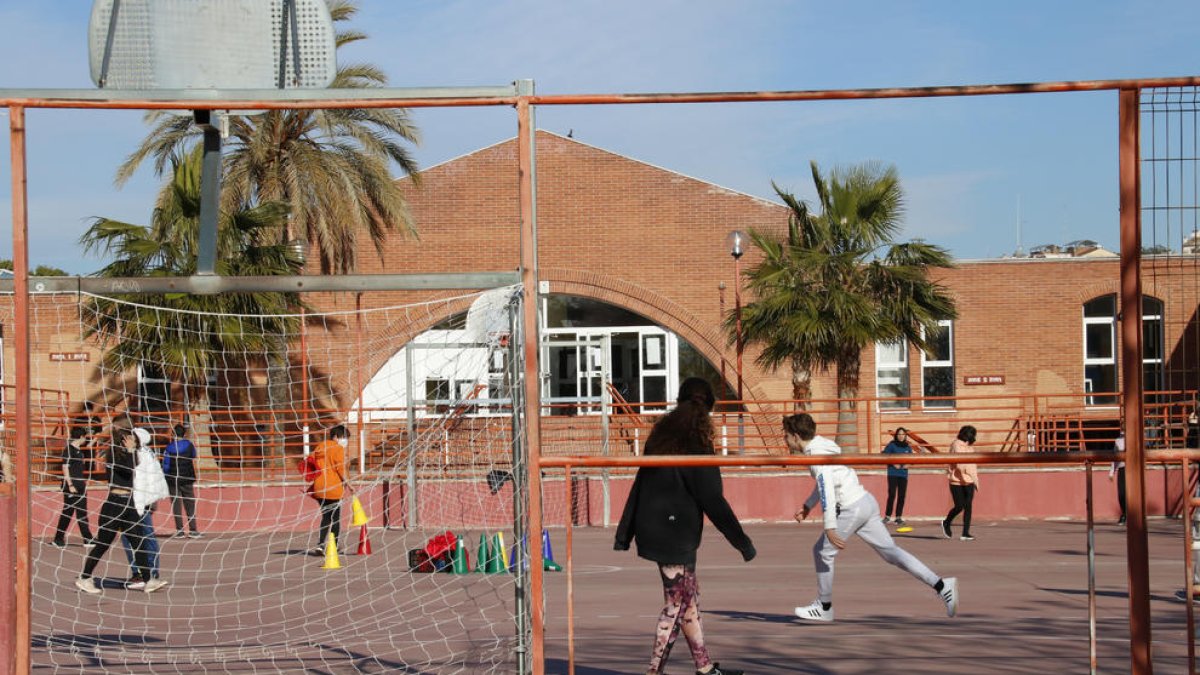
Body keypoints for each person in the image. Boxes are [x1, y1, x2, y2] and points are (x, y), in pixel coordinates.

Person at [614, 377, 755, 675]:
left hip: (659, 529)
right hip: (673, 535)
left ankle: (704, 668)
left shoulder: (661, 436)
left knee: (688, 599)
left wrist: (625, 533)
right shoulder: (698, 443)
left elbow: (640, 483)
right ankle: (654, 671)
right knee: (676, 604)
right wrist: (741, 541)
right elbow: (712, 498)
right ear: (709, 409)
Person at [787, 413, 958, 623]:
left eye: (786, 436)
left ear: (795, 436)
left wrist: (829, 527)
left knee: (822, 552)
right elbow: (828, 482)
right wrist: (807, 505)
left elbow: (826, 489)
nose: (785, 440)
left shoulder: (815, 455)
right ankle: (942, 586)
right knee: (892, 553)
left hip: (851, 507)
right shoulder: (823, 445)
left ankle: (824, 606)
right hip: (865, 501)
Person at [74, 425, 168, 594]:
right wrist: (131, 452)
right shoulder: (114, 456)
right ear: (124, 441)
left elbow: (137, 469)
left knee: (138, 543)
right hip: (115, 505)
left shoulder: (130, 455)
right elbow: (127, 470)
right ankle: (85, 577)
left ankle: (149, 580)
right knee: (103, 544)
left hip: (129, 505)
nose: (133, 441)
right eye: (130, 438)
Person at [120, 428, 162, 589]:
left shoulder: (141, 454)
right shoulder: (146, 453)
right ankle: (146, 572)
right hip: (139, 500)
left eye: (131, 436)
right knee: (135, 536)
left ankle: (145, 573)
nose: (127, 438)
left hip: (140, 501)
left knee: (141, 536)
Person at [310, 424, 351, 555]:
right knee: (336, 518)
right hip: (333, 488)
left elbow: (311, 461)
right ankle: (334, 545)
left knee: (326, 517)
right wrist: (349, 484)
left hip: (319, 487)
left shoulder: (320, 446)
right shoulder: (338, 449)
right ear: (335, 436)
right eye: (343, 437)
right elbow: (340, 469)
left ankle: (321, 545)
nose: (345, 440)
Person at [52, 425, 96, 549]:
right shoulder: (69, 450)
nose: (86, 440)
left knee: (79, 513)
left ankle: (85, 539)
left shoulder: (79, 450)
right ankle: (60, 538)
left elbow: (89, 446)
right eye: (85, 437)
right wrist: (70, 485)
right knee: (68, 513)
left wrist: (97, 437)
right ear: (81, 437)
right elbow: (65, 468)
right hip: (72, 486)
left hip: (80, 486)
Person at [942, 425, 979, 541]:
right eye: (971, 434)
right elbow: (960, 463)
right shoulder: (956, 444)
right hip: (956, 480)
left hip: (969, 481)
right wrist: (967, 472)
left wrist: (975, 480)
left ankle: (965, 533)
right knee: (959, 506)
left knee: (968, 506)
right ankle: (946, 522)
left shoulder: (970, 448)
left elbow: (973, 467)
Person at [163, 424, 201, 538]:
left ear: (174, 434)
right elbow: (194, 455)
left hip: (173, 479)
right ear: (184, 434)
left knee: (176, 504)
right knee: (190, 504)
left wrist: (166, 476)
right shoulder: (189, 445)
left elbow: (166, 465)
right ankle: (193, 530)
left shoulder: (169, 447)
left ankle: (179, 530)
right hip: (187, 478)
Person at [881, 427, 916, 526]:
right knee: (892, 494)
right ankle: (887, 516)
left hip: (903, 474)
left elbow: (913, 459)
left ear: (905, 436)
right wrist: (892, 463)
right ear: (896, 435)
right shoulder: (892, 445)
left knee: (901, 496)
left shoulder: (907, 447)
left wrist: (908, 465)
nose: (901, 436)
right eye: (899, 434)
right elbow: (884, 455)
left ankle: (898, 517)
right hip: (892, 473)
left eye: (903, 434)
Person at [1108, 429, 1126, 526]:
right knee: (1121, 494)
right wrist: (1111, 472)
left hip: (1132, 469)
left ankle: (1131, 515)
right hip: (1122, 469)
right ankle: (1124, 514)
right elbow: (1114, 457)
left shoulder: (1135, 437)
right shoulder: (1117, 440)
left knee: (1132, 494)